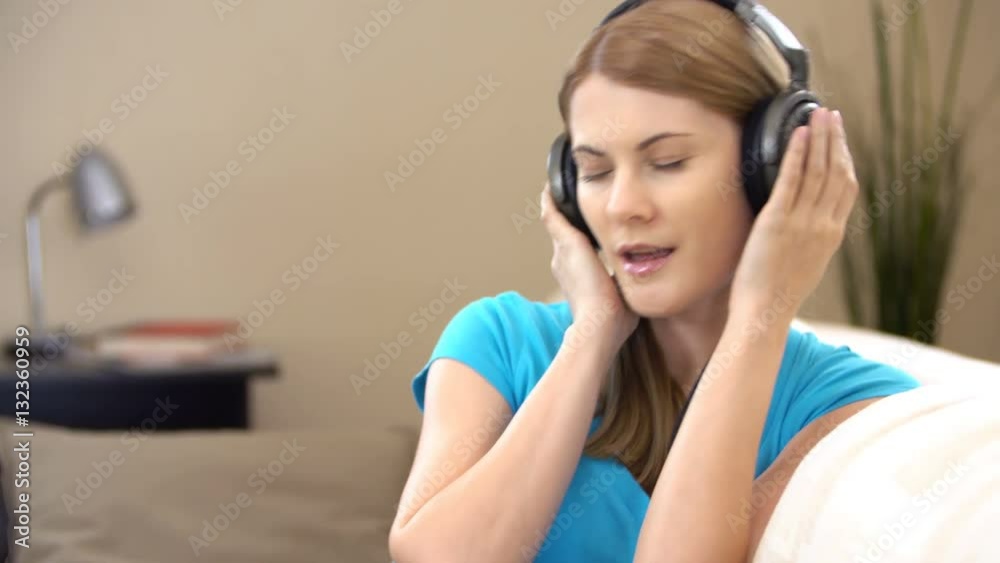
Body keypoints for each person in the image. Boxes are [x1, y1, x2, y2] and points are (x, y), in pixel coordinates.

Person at [388, 1, 921, 561]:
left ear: (773, 165)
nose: (622, 207)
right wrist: (592, 336)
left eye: (667, 162)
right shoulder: (499, 340)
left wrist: (765, 309)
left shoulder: (851, 406)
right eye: (594, 171)